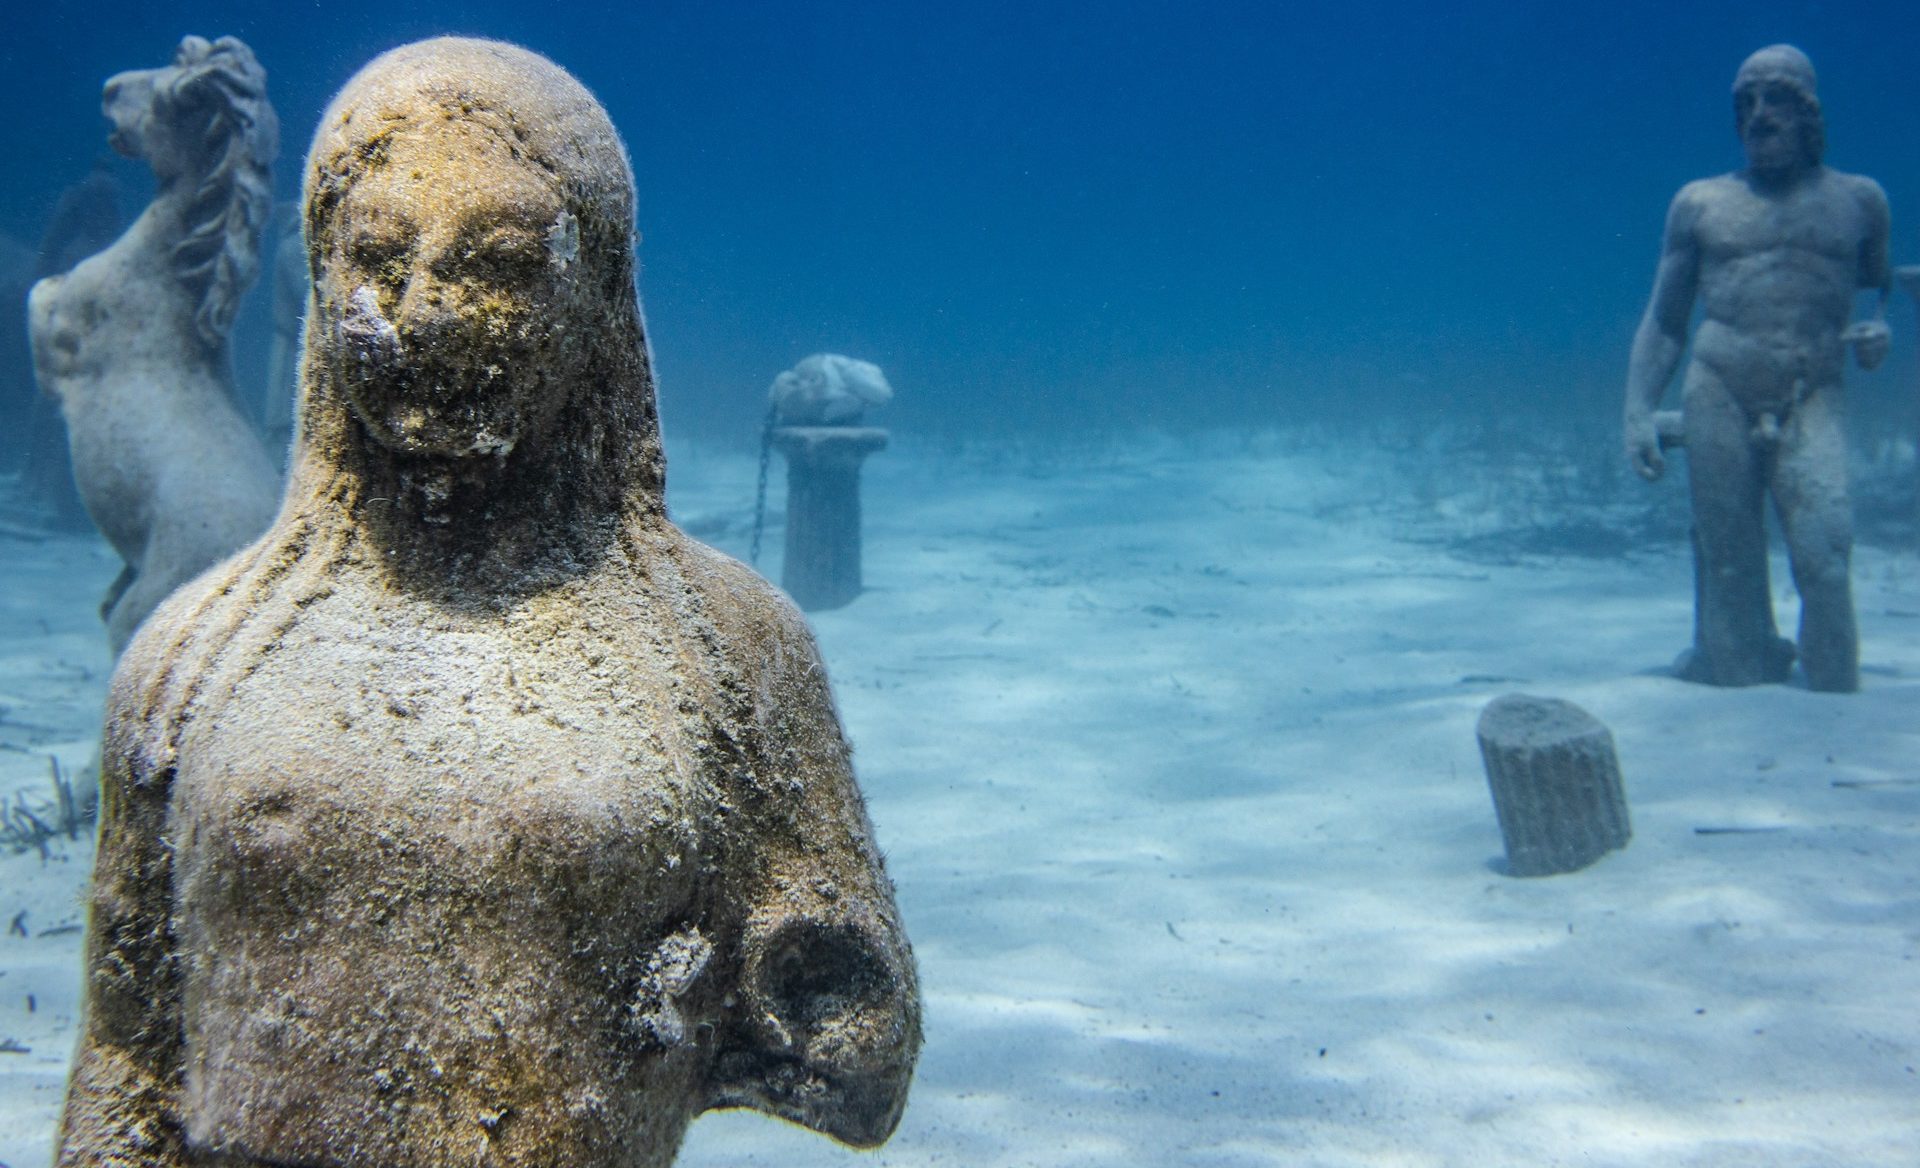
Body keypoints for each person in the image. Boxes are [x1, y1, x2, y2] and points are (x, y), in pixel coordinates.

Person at [1623, 44, 1891, 693]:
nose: (1758, 115)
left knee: (1826, 556)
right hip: (1719, 387)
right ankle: (1737, 661)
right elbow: (1665, 319)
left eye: (1775, 99)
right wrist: (1636, 408)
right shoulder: (1701, 204)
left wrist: (1882, 328)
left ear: (1808, 112)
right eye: (1745, 102)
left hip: (1811, 393)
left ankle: (1821, 677)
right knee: (1730, 563)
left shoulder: (1860, 202)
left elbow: (1880, 286)